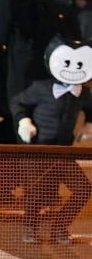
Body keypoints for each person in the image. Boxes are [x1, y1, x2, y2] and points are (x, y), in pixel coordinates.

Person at [11, 35, 92, 244]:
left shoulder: (83, 93)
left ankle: (58, 228)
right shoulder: (41, 88)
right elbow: (17, 102)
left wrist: (88, 124)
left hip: (64, 153)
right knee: (36, 192)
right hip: (37, 151)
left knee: (83, 189)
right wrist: (24, 121)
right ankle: (29, 229)